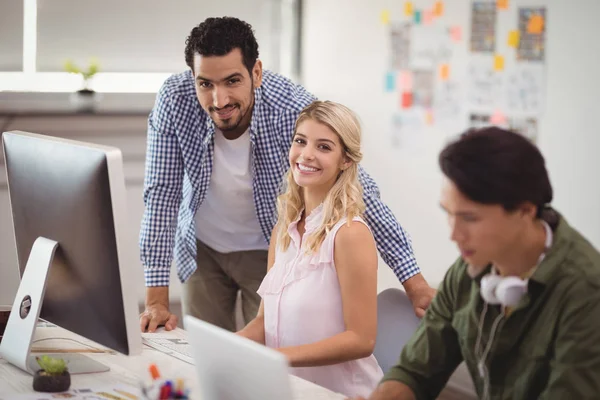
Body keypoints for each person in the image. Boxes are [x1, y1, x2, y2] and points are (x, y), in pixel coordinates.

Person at [138, 16, 434, 334]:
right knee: (205, 353)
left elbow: (359, 191)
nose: (219, 100)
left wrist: (413, 281)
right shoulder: (174, 100)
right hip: (202, 247)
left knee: (271, 351)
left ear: (256, 72)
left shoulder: (292, 108)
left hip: (266, 248)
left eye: (232, 81)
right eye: (205, 84)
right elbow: (162, 194)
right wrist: (156, 300)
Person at [355, 127, 600, 400]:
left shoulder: (586, 291)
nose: (454, 235)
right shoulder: (469, 270)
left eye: (470, 218)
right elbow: (416, 370)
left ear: (525, 210)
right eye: (449, 214)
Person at [237, 100, 384, 397]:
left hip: (343, 394)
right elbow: (264, 322)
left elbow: (361, 339)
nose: (306, 155)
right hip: (291, 389)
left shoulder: (349, 234)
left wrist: (277, 358)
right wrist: (227, 345)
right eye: (300, 141)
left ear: (346, 160)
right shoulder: (283, 232)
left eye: (324, 147)